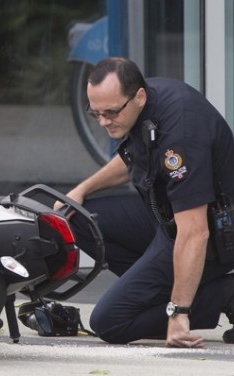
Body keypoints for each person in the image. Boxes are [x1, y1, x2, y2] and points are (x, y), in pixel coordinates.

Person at [63, 56, 234, 347]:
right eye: (96, 113)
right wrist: (81, 189)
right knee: (78, 219)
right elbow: (131, 157)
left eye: (111, 113)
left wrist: (179, 312)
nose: (104, 122)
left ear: (139, 97)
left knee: (110, 321)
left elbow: (195, 232)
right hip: (166, 218)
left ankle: (224, 294)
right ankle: (169, 286)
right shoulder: (143, 102)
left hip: (212, 235)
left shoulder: (179, 134)